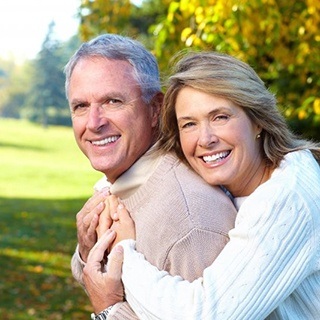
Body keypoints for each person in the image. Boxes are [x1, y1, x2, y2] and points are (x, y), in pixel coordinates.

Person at [84, 51, 320, 319]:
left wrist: (125, 254)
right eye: (189, 124)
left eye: (220, 117)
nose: (205, 139)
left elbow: (209, 314)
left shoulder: (288, 196)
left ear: (257, 120)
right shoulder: (240, 185)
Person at [64, 36, 237, 320]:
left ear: (155, 109)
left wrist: (109, 309)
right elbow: (109, 285)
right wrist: (87, 253)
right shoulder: (125, 184)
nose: (94, 123)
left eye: (112, 101)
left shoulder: (192, 221)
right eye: (81, 106)